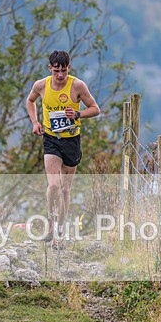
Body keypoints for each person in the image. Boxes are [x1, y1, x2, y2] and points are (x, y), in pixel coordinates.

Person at [26, 50, 100, 247]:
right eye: (56, 71)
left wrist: (77, 114)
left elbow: (95, 109)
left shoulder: (77, 85)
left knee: (66, 190)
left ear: (69, 68)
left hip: (71, 140)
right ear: (50, 68)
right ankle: (50, 224)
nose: (60, 75)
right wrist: (35, 122)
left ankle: (60, 230)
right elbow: (30, 100)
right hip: (51, 139)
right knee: (54, 186)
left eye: (64, 71)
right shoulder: (41, 85)